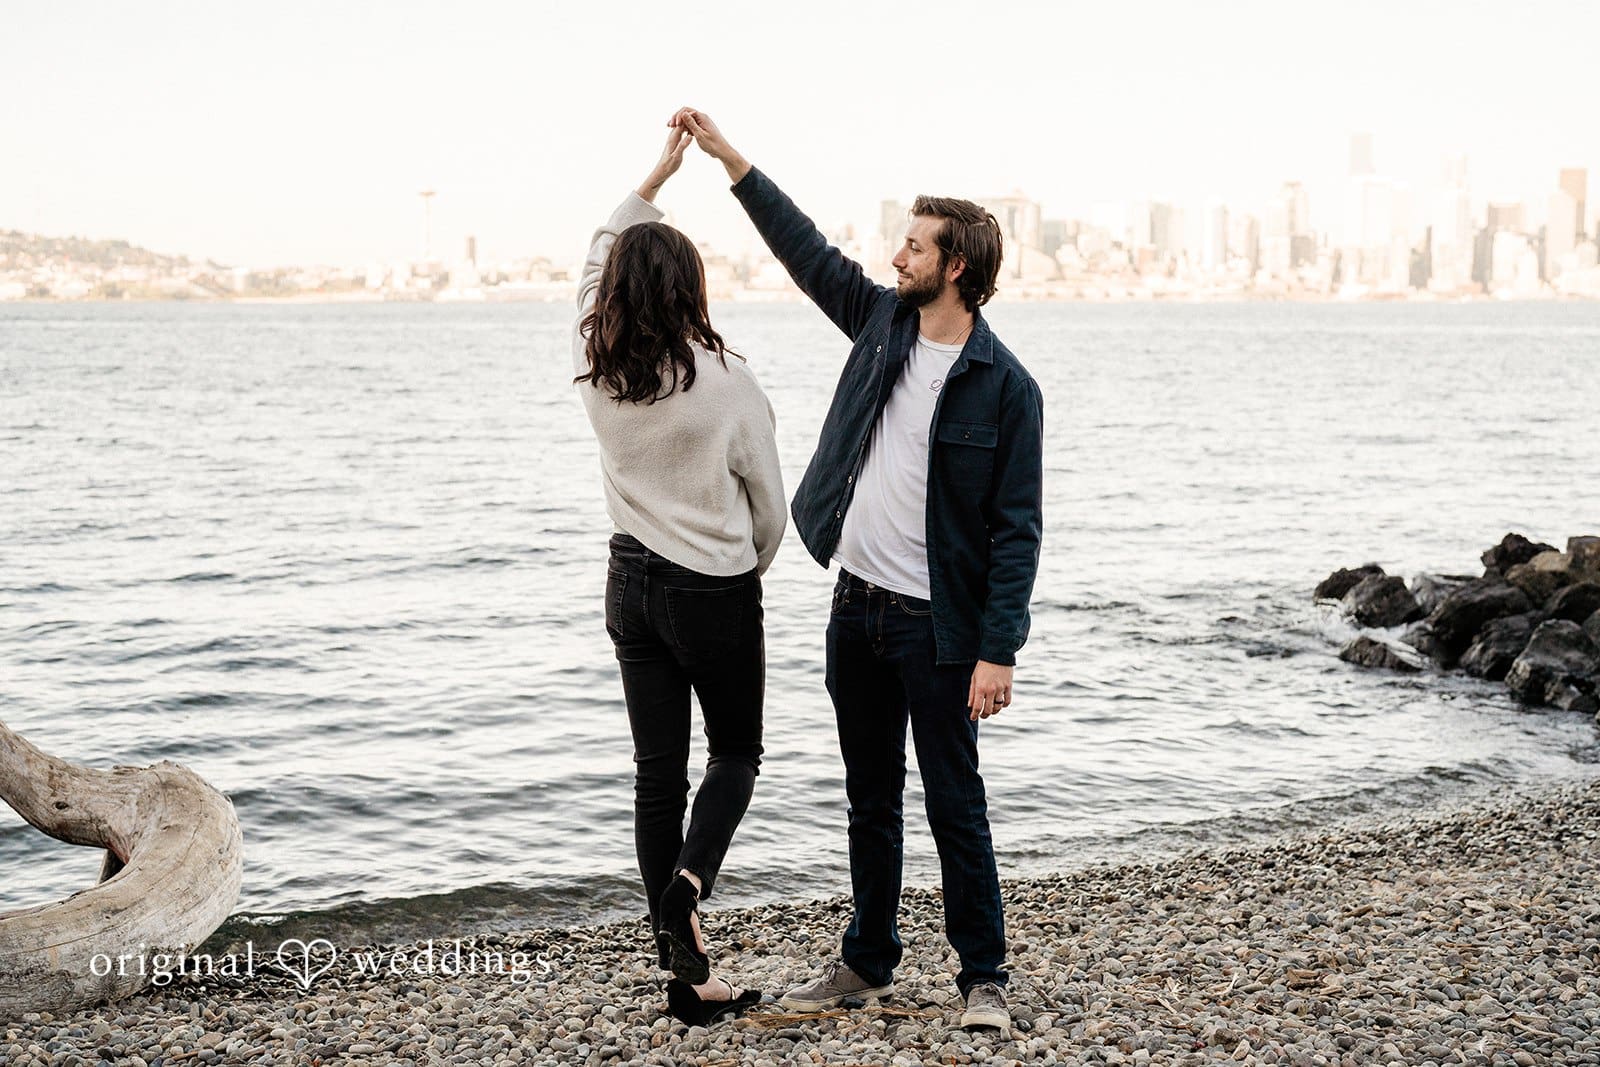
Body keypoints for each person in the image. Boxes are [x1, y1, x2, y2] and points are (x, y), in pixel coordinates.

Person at [672, 107, 1044, 1035]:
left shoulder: (1007, 388)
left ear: (957, 265)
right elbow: (808, 254)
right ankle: (868, 960)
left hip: (941, 630)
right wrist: (730, 161)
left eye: (914, 247)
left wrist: (998, 649)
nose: (895, 257)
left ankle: (984, 977)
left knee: (956, 804)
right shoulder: (882, 325)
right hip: (857, 609)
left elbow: (1016, 531)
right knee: (870, 798)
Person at [572, 125, 786, 1026]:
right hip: (714, 590)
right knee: (735, 752)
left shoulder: (595, 367)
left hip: (630, 584)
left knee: (656, 775)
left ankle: (687, 980)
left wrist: (653, 177)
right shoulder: (729, 381)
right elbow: (771, 504)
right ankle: (692, 880)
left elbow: (596, 252)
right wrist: (746, 565)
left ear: (618, 291)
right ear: (691, 289)